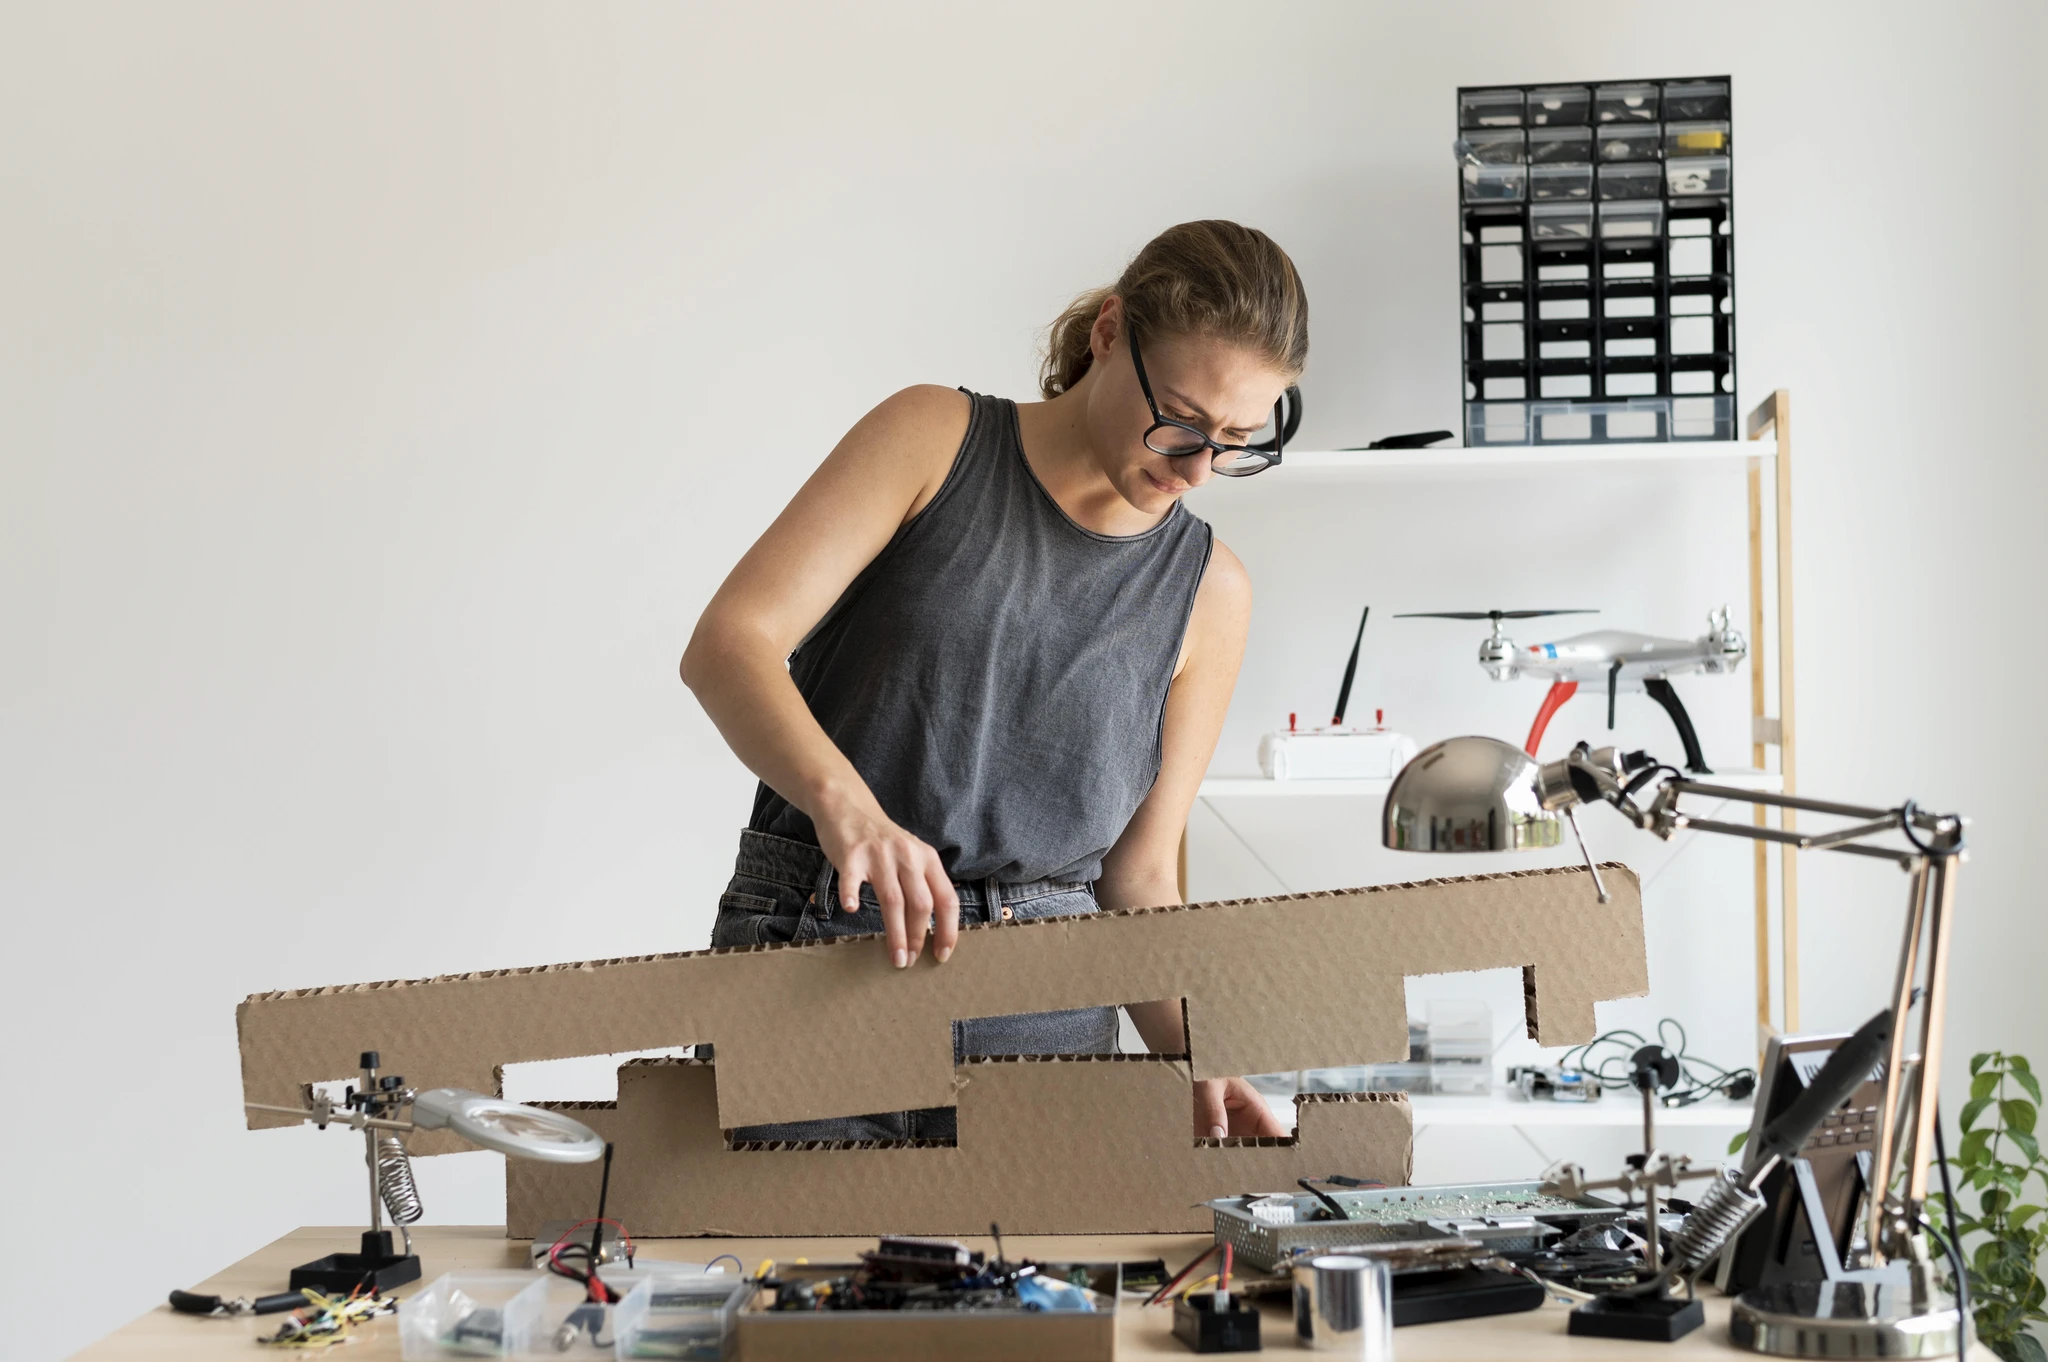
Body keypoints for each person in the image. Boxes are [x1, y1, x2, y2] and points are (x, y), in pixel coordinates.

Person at [680, 219, 1305, 1142]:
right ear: (1108, 332)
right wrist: (850, 810)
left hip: (1052, 1005)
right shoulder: (933, 437)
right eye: (1179, 419)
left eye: (1236, 441)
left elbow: (1137, 875)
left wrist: (1203, 1053)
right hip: (824, 948)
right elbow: (729, 643)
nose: (1197, 468)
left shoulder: (1212, 591)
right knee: (784, 1240)